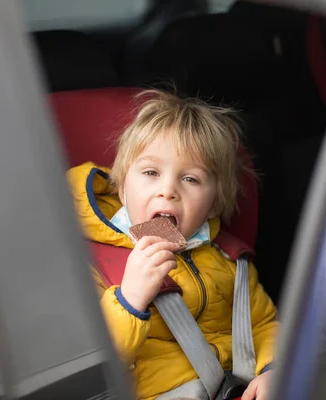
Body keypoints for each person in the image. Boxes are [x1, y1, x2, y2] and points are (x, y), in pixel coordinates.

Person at [66, 89, 279, 400]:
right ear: (122, 188)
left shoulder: (226, 259)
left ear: (213, 205)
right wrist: (130, 299)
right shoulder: (96, 264)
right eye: (151, 173)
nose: (168, 190)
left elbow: (262, 324)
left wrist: (273, 368)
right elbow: (90, 371)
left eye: (190, 179)